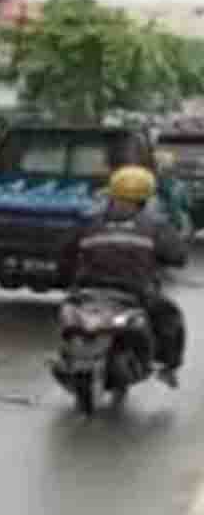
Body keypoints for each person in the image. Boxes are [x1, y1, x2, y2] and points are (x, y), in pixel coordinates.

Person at [78, 165, 186, 385]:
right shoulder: (155, 224)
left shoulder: (90, 220)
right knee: (171, 318)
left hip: (88, 290)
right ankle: (168, 366)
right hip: (135, 291)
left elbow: (66, 249)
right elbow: (178, 256)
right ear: (146, 197)